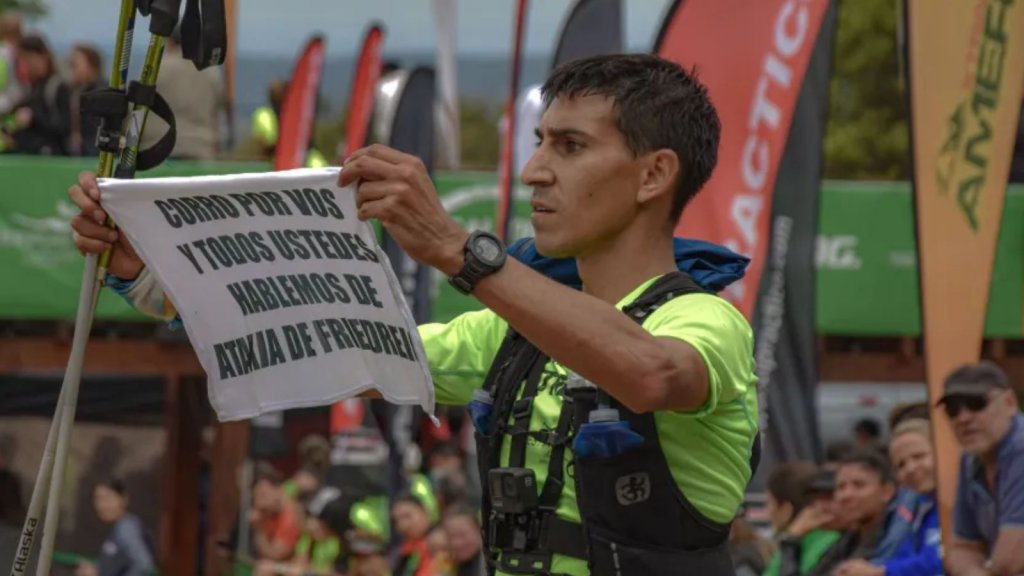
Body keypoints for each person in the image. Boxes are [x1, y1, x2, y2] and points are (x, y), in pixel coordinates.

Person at [67, 53, 759, 576]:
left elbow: (647, 370)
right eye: (541, 141)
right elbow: (316, 343)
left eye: (570, 146)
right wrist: (152, 276)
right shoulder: (505, 333)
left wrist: (460, 251)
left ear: (653, 175)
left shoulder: (707, 321)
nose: (534, 170)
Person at [940, 361, 1024, 576]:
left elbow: (1012, 560)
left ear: (1010, 402)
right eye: (952, 409)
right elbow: (960, 549)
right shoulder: (970, 459)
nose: (964, 418)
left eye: (976, 403)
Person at [834, 418, 943, 576]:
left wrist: (881, 571)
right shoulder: (920, 510)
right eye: (901, 465)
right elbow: (903, 555)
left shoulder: (959, 502)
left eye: (919, 456)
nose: (910, 468)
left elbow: (941, 558)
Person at [140, 25, 224, 160]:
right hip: (200, 149)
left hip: (157, 148)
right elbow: (217, 109)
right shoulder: (210, 71)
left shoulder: (156, 68)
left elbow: (138, 106)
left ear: (170, 41)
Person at [763, 462, 841, 576]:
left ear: (786, 510)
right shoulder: (836, 539)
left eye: (769, 503)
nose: (767, 513)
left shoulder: (795, 543)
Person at [75, 479, 155, 576]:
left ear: (124, 499)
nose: (102, 505)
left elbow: (144, 565)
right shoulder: (118, 527)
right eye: (98, 499)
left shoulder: (126, 528)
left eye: (107, 498)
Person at [7, 34, 70, 155]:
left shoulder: (57, 87)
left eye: (29, 59)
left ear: (44, 57)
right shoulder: (31, 89)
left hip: (52, 157)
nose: (27, 66)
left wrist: (34, 118)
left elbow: (64, 127)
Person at [250, 461, 303, 562]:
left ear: (278, 489)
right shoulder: (268, 511)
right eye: (255, 498)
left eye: (263, 495)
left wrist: (259, 528)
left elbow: (274, 555)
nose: (258, 504)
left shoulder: (290, 517)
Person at [67, 43, 104, 156]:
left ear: (91, 66)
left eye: (75, 65)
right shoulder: (75, 92)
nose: (72, 70)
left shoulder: (102, 95)